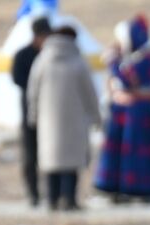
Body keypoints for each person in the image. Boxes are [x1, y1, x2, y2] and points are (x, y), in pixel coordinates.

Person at [26, 25, 100, 211]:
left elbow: (33, 91)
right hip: (75, 120)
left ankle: (52, 199)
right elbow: (89, 93)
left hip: (47, 121)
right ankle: (69, 200)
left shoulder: (42, 60)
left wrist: (33, 115)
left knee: (52, 161)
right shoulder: (78, 61)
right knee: (71, 162)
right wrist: (96, 116)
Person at [94, 14, 150, 203]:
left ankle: (142, 189)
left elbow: (128, 80)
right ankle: (118, 187)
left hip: (142, 111)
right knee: (123, 150)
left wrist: (113, 62)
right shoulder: (136, 56)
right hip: (129, 110)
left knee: (137, 151)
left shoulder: (148, 57)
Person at [10, 17, 52, 207]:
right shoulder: (23, 55)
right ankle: (33, 194)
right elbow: (18, 79)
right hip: (29, 111)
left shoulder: (51, 54)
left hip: (51, 113)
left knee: (51, 155)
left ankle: (52, 193)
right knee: (30, 155)